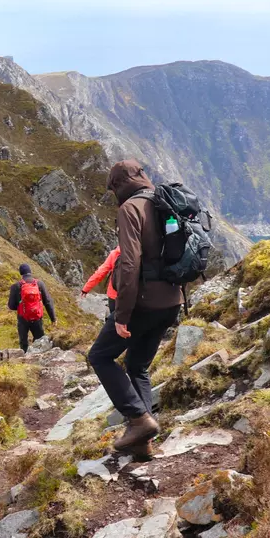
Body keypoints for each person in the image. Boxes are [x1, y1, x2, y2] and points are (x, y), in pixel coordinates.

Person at [88, 160, 183, 458]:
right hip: (172, 301)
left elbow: (129, 264)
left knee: (100, 356)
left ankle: (139, 420)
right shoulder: (164, 201)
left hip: (144, 303)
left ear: (118, 185)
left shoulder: (130, 209)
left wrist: (122, 315)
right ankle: (144, 443)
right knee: (138, 365)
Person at [8, 264, 56, 352]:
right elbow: (48, 302)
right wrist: (53, 318)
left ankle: (25, 360)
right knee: (40, 341)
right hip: (37, 318)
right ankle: (38, 359)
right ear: (30, 272)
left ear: (21, 273)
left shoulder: (16, 286)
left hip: (23, 319)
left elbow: (11, 306)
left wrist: (22, 307)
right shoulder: (39, 284)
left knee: (23, 343)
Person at [81, 245, 121, 315]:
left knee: (114, 320)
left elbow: (100, 273)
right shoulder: (139, 253)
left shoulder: (115, 254)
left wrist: (86, 289)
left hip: (114, 296)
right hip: (134, 296)